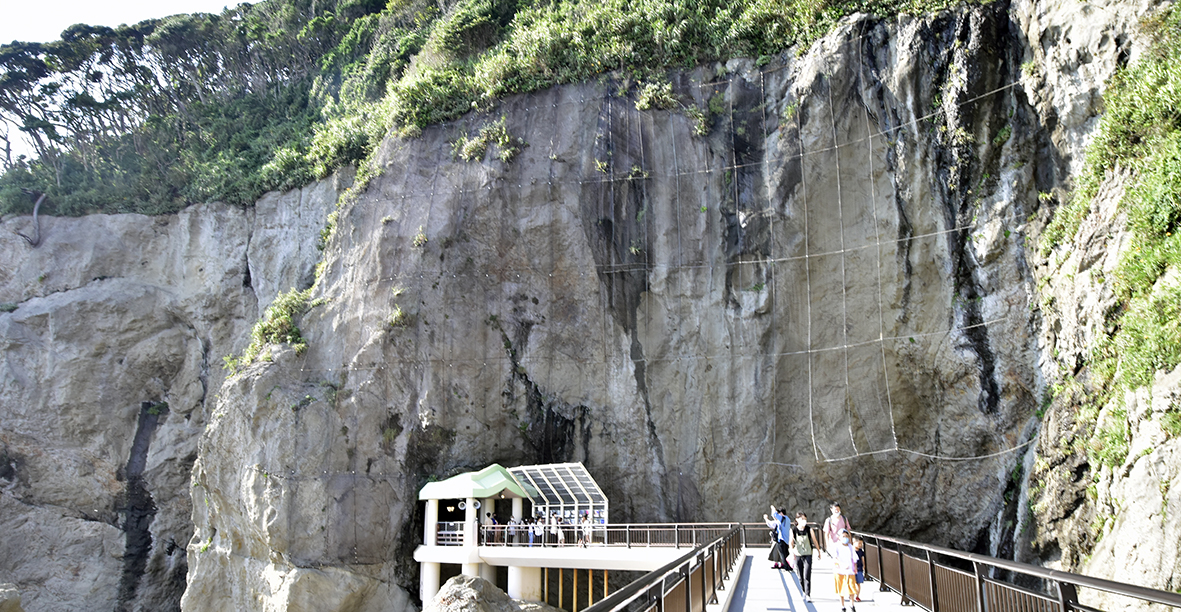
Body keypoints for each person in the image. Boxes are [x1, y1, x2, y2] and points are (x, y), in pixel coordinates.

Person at [791, 512, 820, 602]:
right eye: (801, 518)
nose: (804, 520)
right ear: (797, 519)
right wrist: (792, 553)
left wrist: (819, 551)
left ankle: (808, 594)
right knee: (800, 575)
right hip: (798, 554)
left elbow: (814, 540)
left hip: (808, 553)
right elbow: (791, 543)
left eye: (805, 518)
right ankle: (803, 590)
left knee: (807, 574)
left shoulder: (809, 529)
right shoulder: (793, 530)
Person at [831, 529, 858, 612]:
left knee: (851, 587)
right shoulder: (836, 546)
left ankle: (852, 604)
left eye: (847, 536)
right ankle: (842, 605)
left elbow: (854, 558)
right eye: (843, 536)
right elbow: (835, 558)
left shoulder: (850, 547)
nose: (845, 538)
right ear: (839, 537)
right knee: (841, 587)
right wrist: (842, 564)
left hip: (850, 570)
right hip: (839, 570)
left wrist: (855, 568)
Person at [762, 504, 791, 569]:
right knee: (783, 553)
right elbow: (774, 522)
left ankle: (786, 566)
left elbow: (774, 515)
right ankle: (783, 565)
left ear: (781, 513)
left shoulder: (782, 518)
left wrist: (772, 508)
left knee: (781, 554)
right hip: (786, 540)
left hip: (781, 539)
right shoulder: (787, 519)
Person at [853, 537, 866, 602]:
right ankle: (852, 594)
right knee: (852, 582)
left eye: (861, 544)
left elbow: (862, 558)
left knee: (858, 583)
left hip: (859, 569)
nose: (860, 545)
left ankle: (857, 596)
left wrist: (864, 565)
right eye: (859, 543)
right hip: (852, 569)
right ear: (854, 542)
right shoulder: (851, 550)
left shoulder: (861, 551)